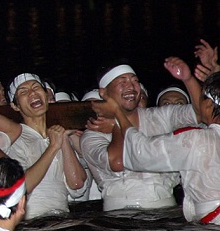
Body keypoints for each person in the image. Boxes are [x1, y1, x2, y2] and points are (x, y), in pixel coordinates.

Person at [80, 59, 199, 211]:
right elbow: (118, 162)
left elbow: (202, 113)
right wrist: (118, 119)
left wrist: (188, 79)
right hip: (120, 217)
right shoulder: (92, 133)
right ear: (104, 93)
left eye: (135, 81)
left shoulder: (160, 116)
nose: (130, 86)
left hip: (165, 211)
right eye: (122, 82)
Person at [114, 72, 220, 224]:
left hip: (214, 224)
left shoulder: (195, 139)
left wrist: (120, 115)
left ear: (209, 105)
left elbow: (142, 154)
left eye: (201, 99)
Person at [0, 74, 88, 219]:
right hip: (32, 223)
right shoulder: (15, 139)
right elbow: (22, 187)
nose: (32, 93)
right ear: (15, 106)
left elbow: (77, 184)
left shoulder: (56, 134)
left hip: (63, 220)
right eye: (23, 91)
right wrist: (53, 147)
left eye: (36, 87)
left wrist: (64, 140)